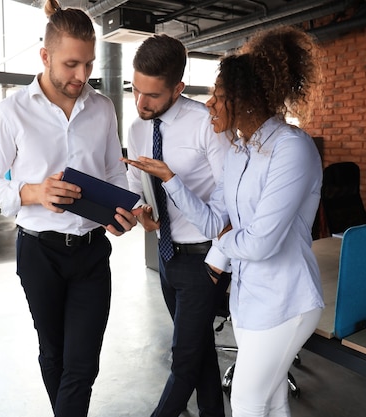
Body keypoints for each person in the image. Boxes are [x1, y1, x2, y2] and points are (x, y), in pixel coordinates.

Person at [123, 26, 325, 417]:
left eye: (218, 95)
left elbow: (260, 242)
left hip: (286, 296)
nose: (210, 104)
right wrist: (171, 181)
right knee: (273, 400)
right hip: (247, 297)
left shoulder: (291, 149)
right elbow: (217, 219)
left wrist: (217, 254)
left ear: (246, 99)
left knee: (248, 402)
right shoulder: (241, 151)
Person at [0, 1, 139, 416]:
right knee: (54, 353)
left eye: (87, 64)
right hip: (38, 252)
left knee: (82, 364)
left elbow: (111, 174)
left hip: (91, 250)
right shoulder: (10, 112)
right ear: (45, 57)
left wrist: (121, 213)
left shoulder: (101, 108)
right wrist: (32, 193)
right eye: (71, 64)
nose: (81, 76)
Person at [125, 34, 230, 417]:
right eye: (136, 90)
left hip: (204, 260)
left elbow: (229, 200)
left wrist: (218, 264)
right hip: (167, 257)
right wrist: (140, 210)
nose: (141, 103)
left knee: (183, 360)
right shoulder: (138, 126)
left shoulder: (206, 125)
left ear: (178, 88)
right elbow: (136, 184)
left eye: (152, 95)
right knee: (199, 351)